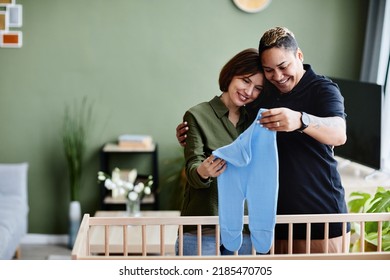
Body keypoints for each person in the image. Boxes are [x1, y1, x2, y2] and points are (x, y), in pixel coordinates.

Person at [176, 27, 350, 254]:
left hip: (319, 217)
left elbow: (339, 133)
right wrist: (191, 136)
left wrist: (300, 120)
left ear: (299, 55)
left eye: (283, 66)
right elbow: (228, 125)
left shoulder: (323, 89)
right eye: (269, 70)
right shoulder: (263, 93)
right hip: (270, 223)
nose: (277, 76)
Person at [176, 48, 264, 256]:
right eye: (245, 80)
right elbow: (192, 167)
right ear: (231, 74)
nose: (249, 91)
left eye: (258, 88)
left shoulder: (257, 121)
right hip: (204, 228)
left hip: (246, 229)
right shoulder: (197, 115)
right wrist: (203, 172)